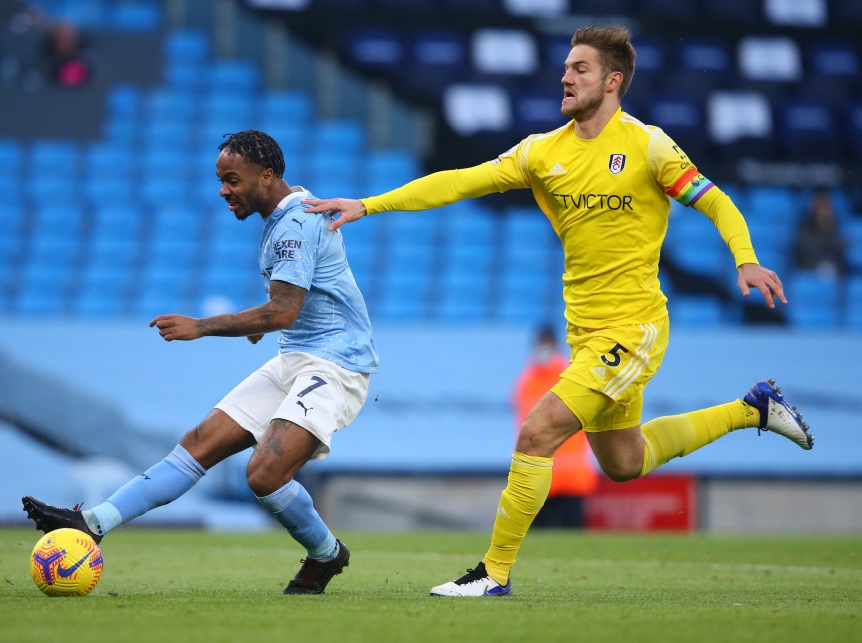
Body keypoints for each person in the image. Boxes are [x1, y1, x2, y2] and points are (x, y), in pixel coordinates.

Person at [304, 26, 813, 597]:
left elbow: (715, 200)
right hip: (586, 331)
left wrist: (745, 259)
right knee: (625, 462)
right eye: (566, 68)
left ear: (613, 81)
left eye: (581, 68)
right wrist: (369, 205)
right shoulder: (541, 152)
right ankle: (753, 409)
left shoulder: (650, 147)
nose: (565, 77)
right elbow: (460, 183)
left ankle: (493, 574)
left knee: (537, 432)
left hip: (634, 328)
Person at [23, 130, 379, 595]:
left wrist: (202, 326)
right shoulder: (285, 214)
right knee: (199, 442)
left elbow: (285, 310)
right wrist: (266, 319)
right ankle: (92, 522)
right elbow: (289, 304)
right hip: (296, 355)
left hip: (335, 365)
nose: (222, 190)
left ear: (267, 176)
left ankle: (326, 555)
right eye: (220, 180)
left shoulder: (294, 224)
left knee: (264, 474)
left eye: (232, 180)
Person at [513, 325, 597, 529]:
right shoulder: (527, 381)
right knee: (536, 539)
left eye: (546, 345)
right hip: (539, 474)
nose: (543, 350)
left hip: (569, 476)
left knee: (570, 534)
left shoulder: (567, 375)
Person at [792, 189, 851, 279]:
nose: (824, 211)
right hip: (810, 265)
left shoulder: (834, 223)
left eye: (826, 206)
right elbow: (805, 248)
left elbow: (839, 249)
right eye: (821, 206)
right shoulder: (805, 225)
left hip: (833, 266)